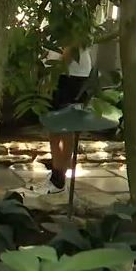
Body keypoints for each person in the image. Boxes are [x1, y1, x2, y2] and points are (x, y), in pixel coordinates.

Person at [33, 46, 94, 194]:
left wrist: (54, 74)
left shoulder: (78, 23)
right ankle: (56, 175)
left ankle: (58, 182)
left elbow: (73, 45)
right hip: (58, 74)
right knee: (54, 128)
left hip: (71, 75)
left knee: (65, 127)